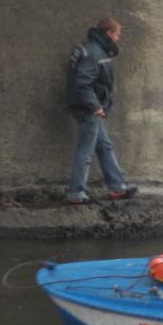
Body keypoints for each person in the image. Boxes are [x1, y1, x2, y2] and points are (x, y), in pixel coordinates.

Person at [65, 17, 137, 204]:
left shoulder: (91, 49)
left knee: (104, 147)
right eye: (116, 34)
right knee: (86, 150)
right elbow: (83, 83)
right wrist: (95, 106)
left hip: (89, 107)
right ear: (108, 34)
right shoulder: (95, 53)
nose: (118, 39)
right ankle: (75, 192)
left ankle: (117, 187)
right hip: (89, 109)